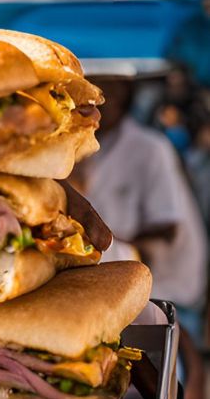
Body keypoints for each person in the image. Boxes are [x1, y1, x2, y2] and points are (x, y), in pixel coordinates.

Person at [72, 75, 208, 335]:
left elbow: (165, 228)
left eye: (102, 87)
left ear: (124, 92)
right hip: (113, 293)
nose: (91, 96)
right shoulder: (85, 147)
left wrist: (109, 249)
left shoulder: (150, 149)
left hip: (167, 296)